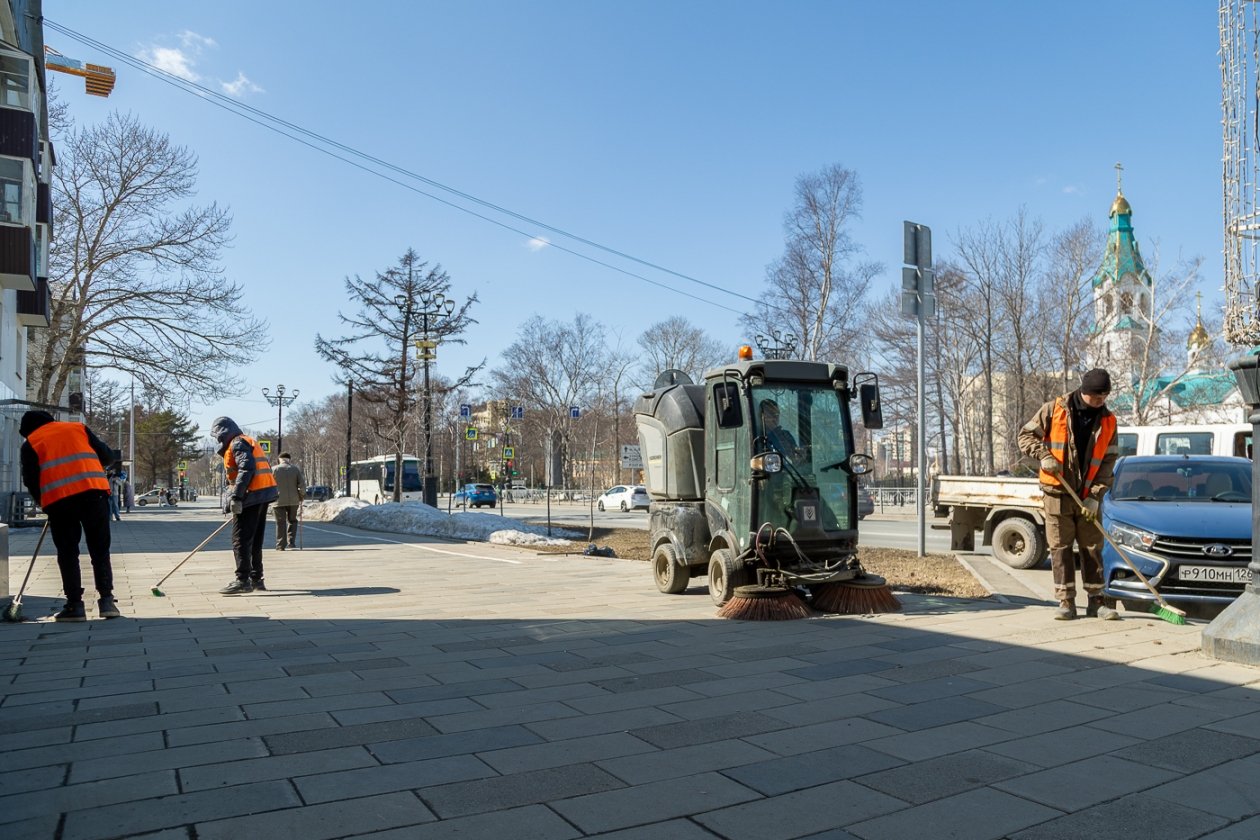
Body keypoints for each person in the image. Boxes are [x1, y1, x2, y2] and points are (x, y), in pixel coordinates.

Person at [1018, 368, 1120, 621]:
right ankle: (1066, 602)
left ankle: (1097, 601)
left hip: (1087, 495)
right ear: (1084, 392)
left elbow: (1108, 462)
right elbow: (1025, 436)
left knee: (1092, 547)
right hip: (1057, 492)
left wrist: (1095, 495)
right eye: (1096, 397)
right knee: (1060, 547)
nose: (1100, 401)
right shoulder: (1054, 410)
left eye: (1104, 397)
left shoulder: (1108, 420)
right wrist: (1044, 456)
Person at [19, 410, 121, 622]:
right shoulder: (78, 428)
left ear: (28, 430)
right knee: (100, 550)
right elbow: (108, 456)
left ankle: (75, 605)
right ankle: (107, 601)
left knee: (68, 552)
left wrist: (44, 504)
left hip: (60, 501)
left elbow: (31, 480)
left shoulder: (31, 443)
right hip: (94, 494)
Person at [212, 416, 278, 594]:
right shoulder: (247, 441)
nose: (217, 440)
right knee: (254, 539)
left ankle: (243, 580)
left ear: (223, 432)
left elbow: (246, 468)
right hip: (262, 494)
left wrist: (237, 497)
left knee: (240, 540)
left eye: (217, 436)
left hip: (251, 495)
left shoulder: (237, 444)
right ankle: (256, 579)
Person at [271, 451, 306, 550]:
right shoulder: (295, 469)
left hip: (278, 501)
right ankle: (291, 543)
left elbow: (269, 485)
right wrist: (301, 496)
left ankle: (280, 545)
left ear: (279, 460)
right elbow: (302, 485)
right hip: (293, 500)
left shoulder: (273, 469)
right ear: (289, 459)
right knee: (292, 521)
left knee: (280, 522)